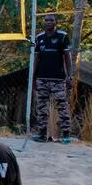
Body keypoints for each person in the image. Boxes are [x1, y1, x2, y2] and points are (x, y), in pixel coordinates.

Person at [31, 13, 73, 144]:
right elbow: (36, 58)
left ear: (56, 22)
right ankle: (42, 133)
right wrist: (33, 77)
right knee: (41, 105)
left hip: (57, 79)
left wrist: (69, 76)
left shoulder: (62, 36)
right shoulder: (39, 37)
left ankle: (66, 134)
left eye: (51, 20)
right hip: (42, 77)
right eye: (46, 20)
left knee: (62, 105)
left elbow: (67, 57)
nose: (48, 22)